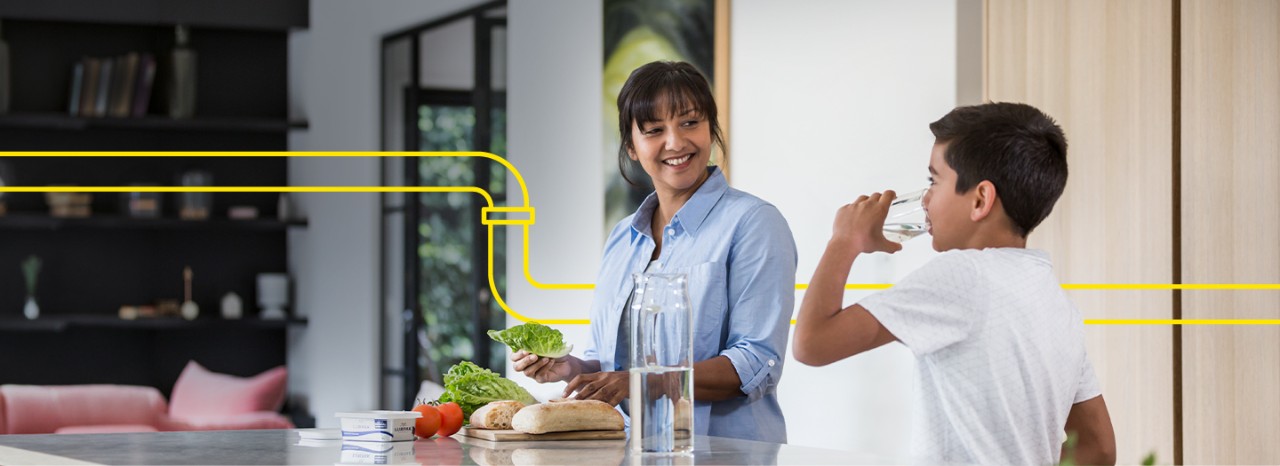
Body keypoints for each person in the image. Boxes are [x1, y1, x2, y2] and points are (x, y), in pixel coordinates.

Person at [792, 102, 1116, 464]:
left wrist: (844, 241)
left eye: (934, 180)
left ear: (980, 199)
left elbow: (811, 344)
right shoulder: (1055, 303)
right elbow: (1098, 448)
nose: (925, 198)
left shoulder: (963, 275)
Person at [512, 60, 796, 443]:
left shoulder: (754, 223)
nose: (676, 143)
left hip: (726, 454)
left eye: (690, 123)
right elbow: (613, 363)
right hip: (630, 450)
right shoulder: (621, 238)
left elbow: (756, 363)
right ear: (632, 145)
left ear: (711, 128)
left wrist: (640, 382)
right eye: (654, 130)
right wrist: (570, 368)